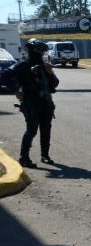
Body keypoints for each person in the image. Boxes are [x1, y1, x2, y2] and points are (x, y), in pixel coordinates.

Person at [12, 38, 59, 168]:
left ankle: (45, 155)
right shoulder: (22, 65)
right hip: (30, 103)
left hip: (45, 103)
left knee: (46, 130)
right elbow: (5, 76)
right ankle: (24, 157)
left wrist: (50, 72)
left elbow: (54, 84)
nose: (42, 54)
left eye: (43, 52)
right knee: (31, 130)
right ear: (33, 51)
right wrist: (17, 88)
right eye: (40, 51)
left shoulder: (44, 66)